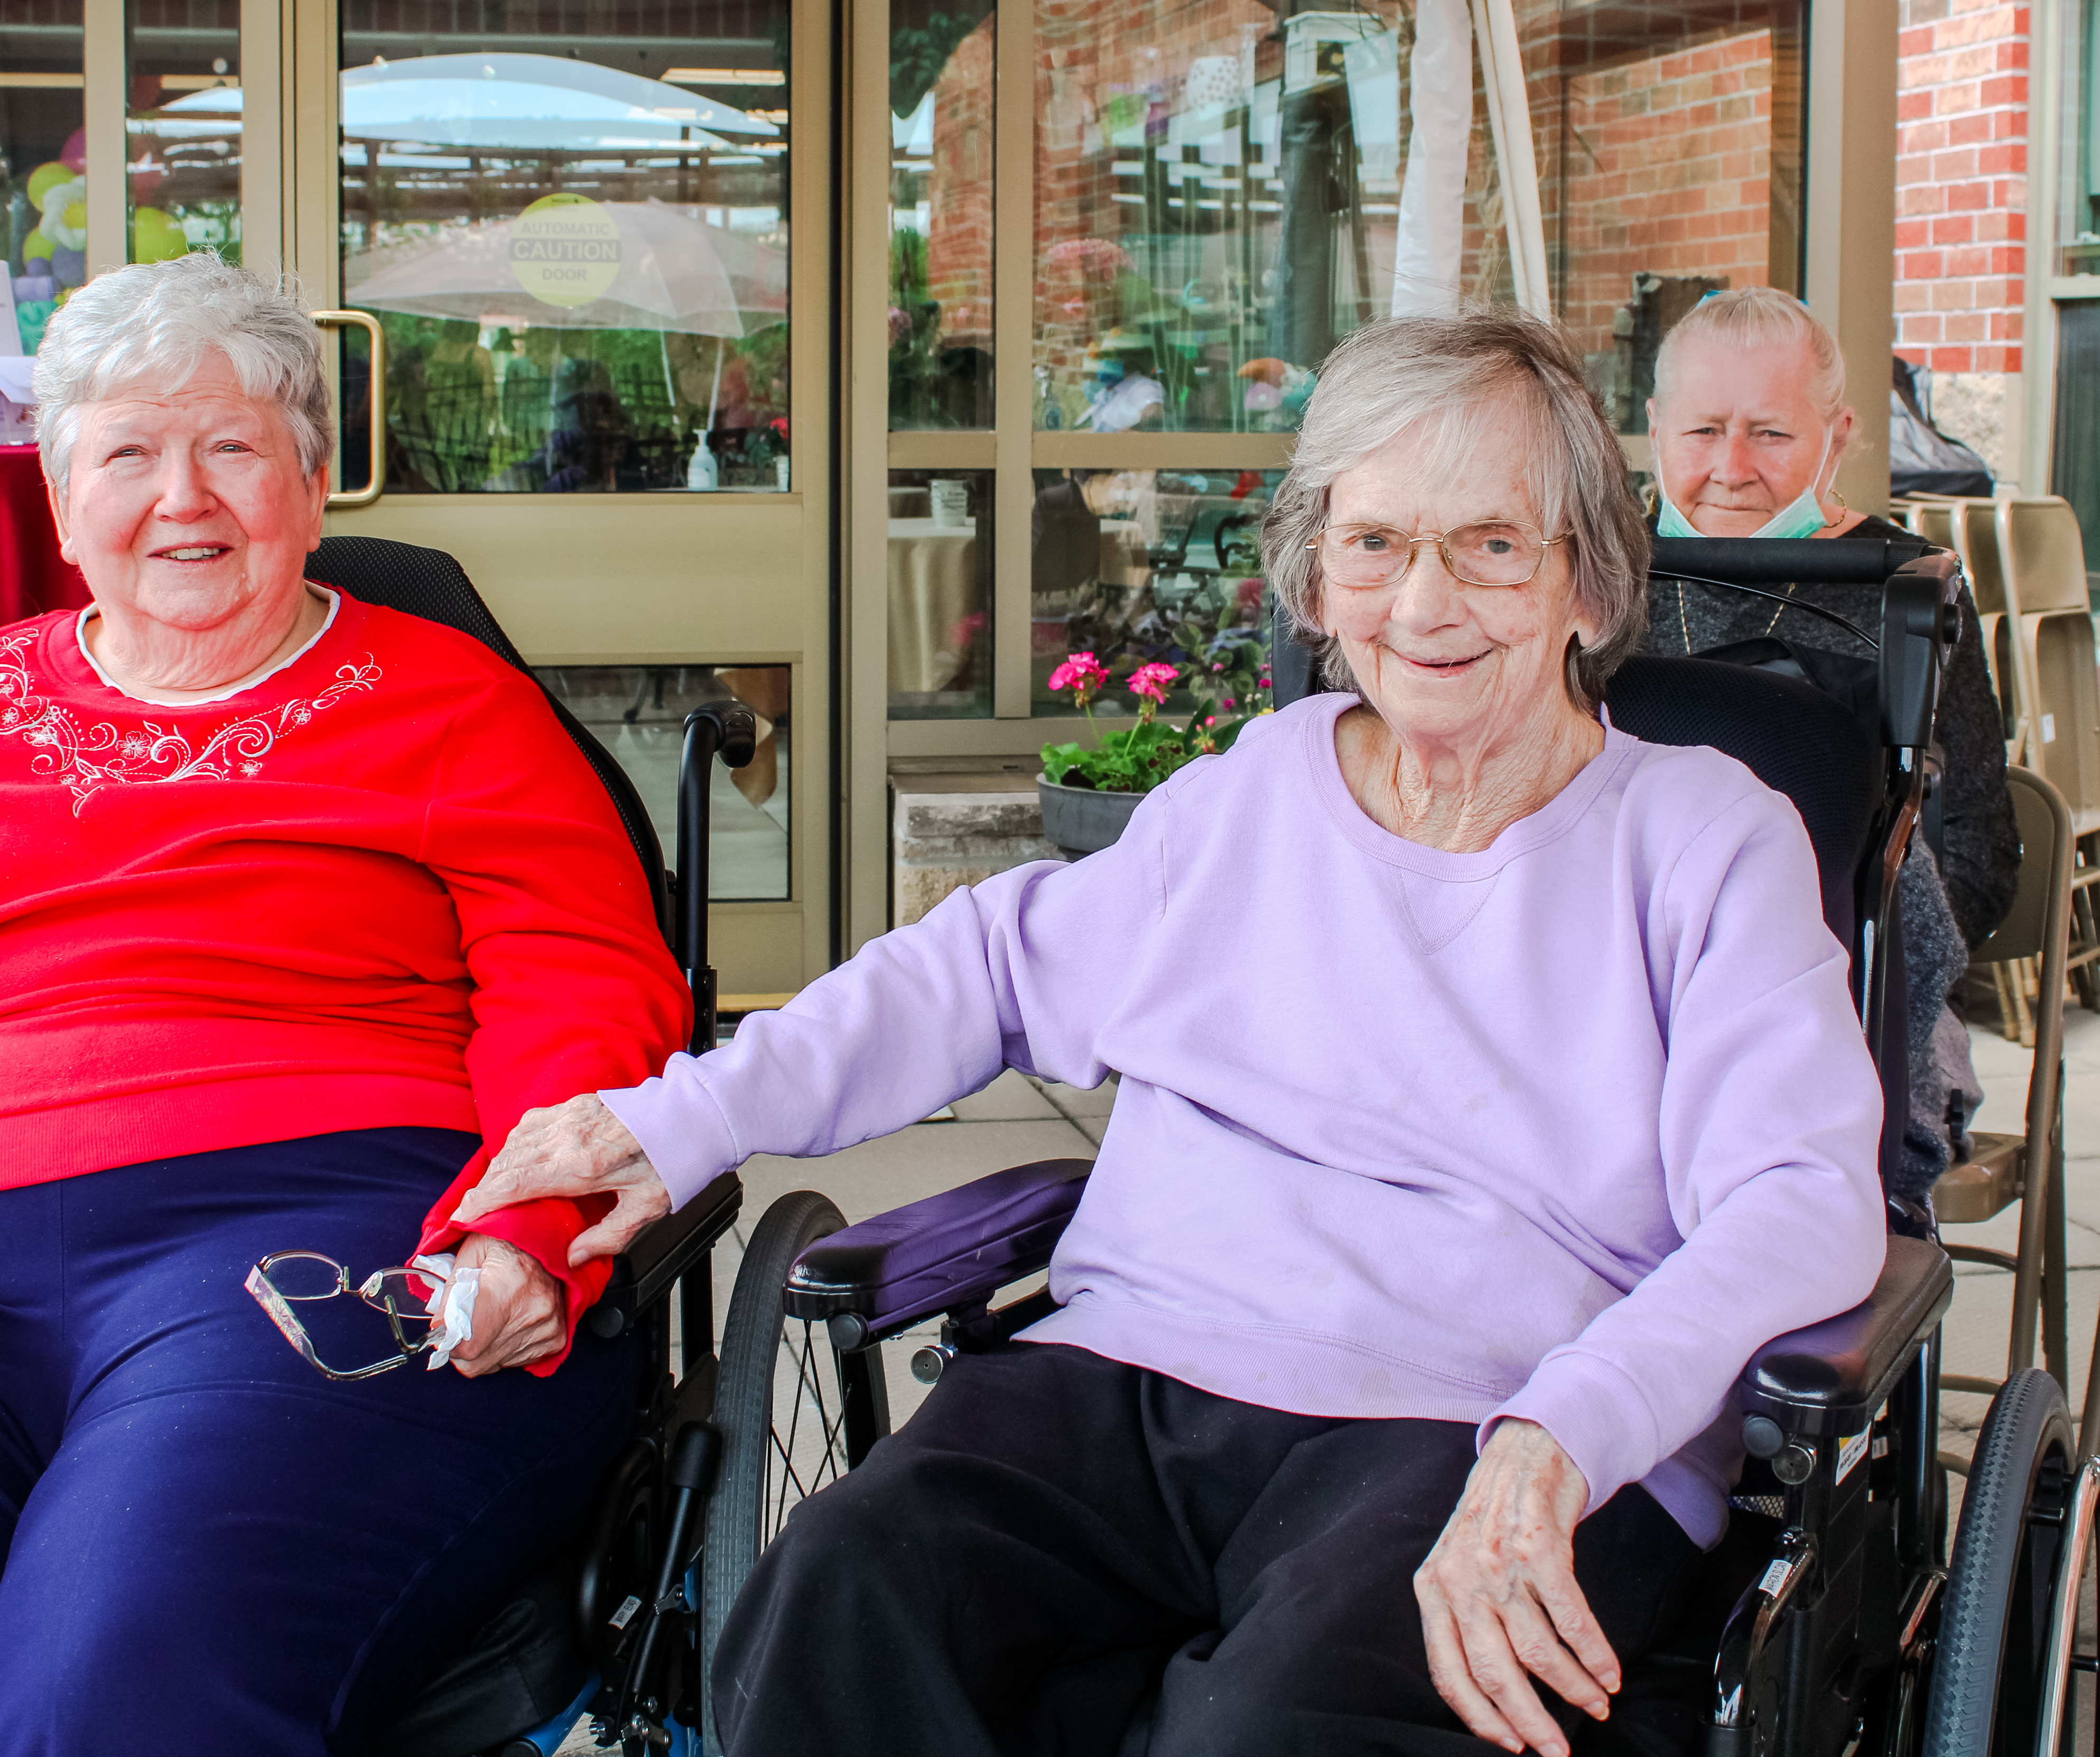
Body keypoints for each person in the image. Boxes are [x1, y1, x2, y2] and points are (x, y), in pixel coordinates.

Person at [458, 307, 1888, 1756]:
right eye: (1375, 544)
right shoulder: (1256, 792)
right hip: (1140, 1373)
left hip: (1491, 1412)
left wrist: (1569, 1430)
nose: (1423, 600)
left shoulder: (1701, 840)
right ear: (1315, 585)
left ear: (1587, 580)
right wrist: (681, 1117)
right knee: (845, 1590)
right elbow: (988, 969)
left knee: (1270, 1728)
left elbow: (1796, 1200)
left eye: (1491, 544)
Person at [0, 252, 690, 1757]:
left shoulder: (451, 706)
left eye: (233, 447)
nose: (186, 500)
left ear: (306, 481)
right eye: (128, 455)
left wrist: (532, 1220)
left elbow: (580, 988)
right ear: (57, 498)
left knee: (112, 1703)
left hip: (306, 1238)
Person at [1638, 285, 2015, 1201]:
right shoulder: (1589, 581)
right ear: (1652, 426)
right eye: (1700, 431)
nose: (1730, 467)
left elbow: (1976, 852)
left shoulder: (1907, 593)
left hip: (1853, 997)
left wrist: (1839, 955)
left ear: (1837, 435)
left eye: (1769, 433)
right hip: (1623, 988)